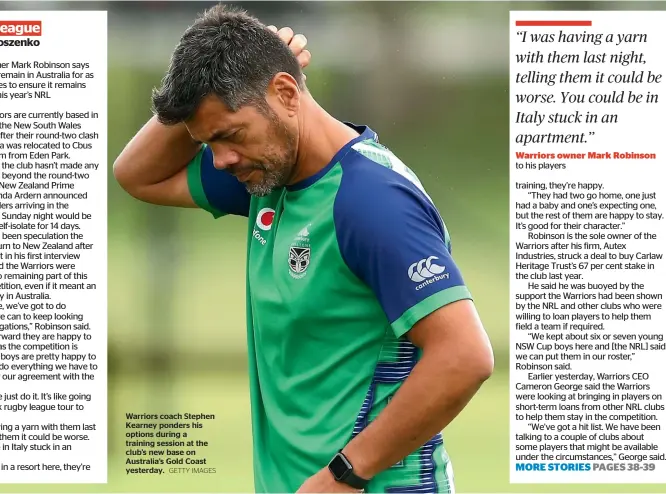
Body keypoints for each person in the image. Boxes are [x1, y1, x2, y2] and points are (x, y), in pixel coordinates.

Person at [114, 4, 494, 493]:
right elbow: (136, 174)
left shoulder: (369, 201)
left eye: (229, 135)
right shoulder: (266, 176)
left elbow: (463, 356)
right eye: (206, 143)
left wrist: (342, 477)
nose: (222, 159)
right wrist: (202, 90)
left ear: (287, 93)